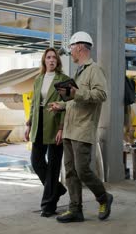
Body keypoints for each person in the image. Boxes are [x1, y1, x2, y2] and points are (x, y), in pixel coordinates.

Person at [49, 31, 113, 223]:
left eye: (71, 48)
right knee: (70, 171)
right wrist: (61, 105)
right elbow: (75, 100)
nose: (70, 52)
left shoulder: (95, 70)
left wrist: (76, 92)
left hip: (83, 129)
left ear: (79, 47)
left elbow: (101, 95)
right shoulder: (79, 72)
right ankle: (75, 209)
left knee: (82, 170)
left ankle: (104, 197)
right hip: (70, 129)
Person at [25, 47, 70, 218]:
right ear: (44, 61)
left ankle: (48, 205)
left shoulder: (64, 80)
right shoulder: (38, 79)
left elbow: (68, 108)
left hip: (54, 123)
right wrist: (29, 124)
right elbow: (34, 104)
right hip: (38, 123)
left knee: (53, 165)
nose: (51, 60)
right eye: (48, 57)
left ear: (58, 61)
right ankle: (56, 189)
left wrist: (61, 128)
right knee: (36, 161)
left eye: (54, 58)